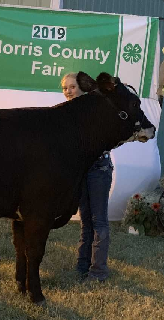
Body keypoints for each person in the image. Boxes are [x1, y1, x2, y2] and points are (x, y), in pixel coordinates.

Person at [61, 73, 113, 282]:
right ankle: (82, 266)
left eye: (72, 87)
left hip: (99, 169)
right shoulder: (65, 112)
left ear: (82, 87)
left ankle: (98, 271)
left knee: (98, 220)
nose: (68, 91)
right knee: (86, 222)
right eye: (64, 88)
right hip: (81, 170)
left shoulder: (96, 109)